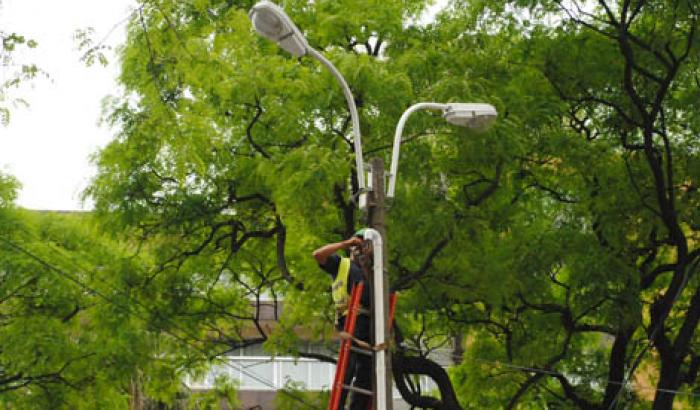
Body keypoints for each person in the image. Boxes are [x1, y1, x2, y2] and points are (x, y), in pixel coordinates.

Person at [313, 229, 373, 410]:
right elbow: (317, 254)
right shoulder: (341, 264)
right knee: (349, 365)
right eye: (359, 246)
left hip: (368, 322)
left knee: (367, 372)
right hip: (350, 319)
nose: (362, 250)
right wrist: (346, 243)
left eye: (366, 246)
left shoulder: (375, 272)